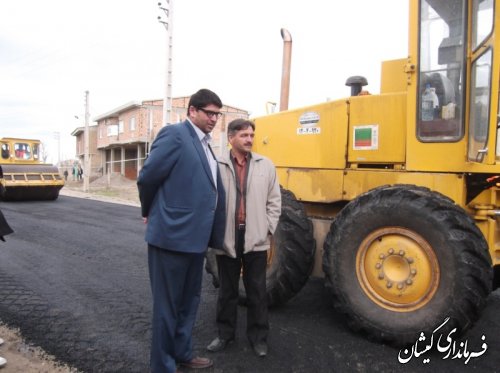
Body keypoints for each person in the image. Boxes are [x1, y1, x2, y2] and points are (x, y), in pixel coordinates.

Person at [137, 88, 226, 373]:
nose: (214, 119)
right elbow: (148, 177)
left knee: (189, 303)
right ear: (192, 111)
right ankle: (163, 367)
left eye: (217, 114)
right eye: (209, 113)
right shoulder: (175, 134)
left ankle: (182, 353)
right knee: (167, 307)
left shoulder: (205, 144)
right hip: (171, 237)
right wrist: (148, 210)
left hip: (196, 239)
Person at [207, 118, 281, 357]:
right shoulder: (216, 164)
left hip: (255, 238)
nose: (249, 139)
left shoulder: (266, 165)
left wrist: (266, 229)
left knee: (257, 292)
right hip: (227, 238)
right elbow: (208, 199)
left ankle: (258, 339)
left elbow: (274, 201)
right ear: (231, 138)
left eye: (251, 135)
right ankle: (224, 335)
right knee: (227, 291)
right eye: (244, 135)